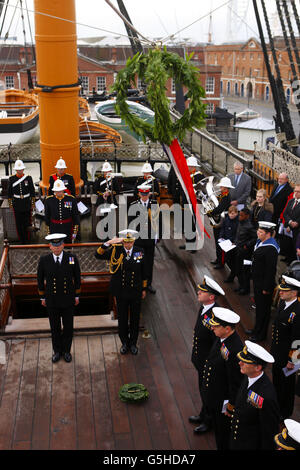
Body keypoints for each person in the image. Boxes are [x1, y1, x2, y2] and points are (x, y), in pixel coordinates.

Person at [95, 229, 147, 355]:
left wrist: (144, 288)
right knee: (122, 318)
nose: (127, 245)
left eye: (130, 242)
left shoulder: (140, 251)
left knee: (134, 319)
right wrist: (108, 242)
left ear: (133, 240)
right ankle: (124, 342)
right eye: (125, 242)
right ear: (122, 241)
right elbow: (98, 255)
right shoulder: (115, 250)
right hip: (121, 291)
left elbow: (144, 271)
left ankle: (133, 343)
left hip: (135, 290)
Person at [201, 307, 243, 450]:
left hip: (223, 403)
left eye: (216, 326)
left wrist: (230, 407)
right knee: (218, 430)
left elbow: (235, 383)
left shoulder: (235, 349)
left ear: (227, 328)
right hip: (215, 397)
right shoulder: (222, 339)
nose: (212, 327)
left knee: (223, 434)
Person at [37, 233, 81, 363]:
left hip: (68, 299)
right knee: (54, 328)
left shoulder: (71, 258)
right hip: (52, 300)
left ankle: (67, 351)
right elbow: (39, 280)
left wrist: (77, 295)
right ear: (50, 246)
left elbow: (77, 278)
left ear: (63, 245)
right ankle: (57, 351)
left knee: (68, 327)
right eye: (54, 246)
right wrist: (42, 297)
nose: (56, 248)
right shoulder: (44, 260)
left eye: (59, 245)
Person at [189, 276, 225, 434]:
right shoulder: (205, 308)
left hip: (208, 363)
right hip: (200, 360)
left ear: (211, 297)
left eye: (202, 291)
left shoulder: (215, 316)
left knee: (208, 392)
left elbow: (216, 344)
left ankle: (209, 421)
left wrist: (209, 363)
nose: (198, 292)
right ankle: (203, 414)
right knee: (202, 389)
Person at [229, 340, 280, 450]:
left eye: (245, 362)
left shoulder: (266, 396)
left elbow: (268, 431)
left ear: (258, 367)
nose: (240, 363)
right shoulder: (248, 377)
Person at [271, 275, 300, 420]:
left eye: (284, 290)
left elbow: (297, 340)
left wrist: (292, 361)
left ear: (294, 293)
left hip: (288, 357)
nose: (280, 292)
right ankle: (277, 406)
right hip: (277, 352)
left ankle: (285, 411)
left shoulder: (297, 312)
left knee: (287, 386)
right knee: (277, 381)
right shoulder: (283, 304)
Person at [248, 221, 280, 342]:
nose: (258, 233)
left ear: (268, 234)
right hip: (257, 281)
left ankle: (260, 335)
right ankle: (256, 329)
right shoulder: (261, 242)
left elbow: (270, 270)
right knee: (259, 308)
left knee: (263, 310)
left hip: (264, 284)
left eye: (261, 232)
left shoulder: (271, 248)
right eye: (258, 230)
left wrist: (266, 288)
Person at [128, 183, 160, 294]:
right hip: (138, 238)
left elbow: (158, 221)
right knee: (138, 261)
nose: (144, 196)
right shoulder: (133, 205)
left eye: (146, 194)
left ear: (149, 194)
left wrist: (157, 235)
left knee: (149, 262)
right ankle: (138, 283)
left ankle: (148, 284)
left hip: (150, 237)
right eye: (142, 194)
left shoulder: (154, 204)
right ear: (139, 194)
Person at [179, 155, 205, 252]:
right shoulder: (186, 174)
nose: (188, 167)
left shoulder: (199, 175)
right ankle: (189, 243)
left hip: (194, 203)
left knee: (194, 224)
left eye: (190, 166)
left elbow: (202, 188)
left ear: (194, 167)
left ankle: (194, 245)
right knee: (187, 223)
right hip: (186, 201)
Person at [8, 159, 36, 244]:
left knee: (27, 222)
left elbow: (32, 191)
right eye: (18, 169)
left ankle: (27, 239)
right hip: (17, 204)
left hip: (26, 203)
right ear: (16, 170)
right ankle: (21, 239)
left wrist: (33, 204)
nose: (20, 171)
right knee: (19, 224)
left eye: (21, 169)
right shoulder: (12, 179)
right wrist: (11, 204)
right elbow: (9, 193)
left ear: (23, 169)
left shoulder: (28, 178)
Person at [44, 179, 80, 243]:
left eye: (60, 190)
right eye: (57, 191)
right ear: (54, 191)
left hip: (67, 227)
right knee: (56, 245)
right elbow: (47, 216)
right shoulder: (49, 200)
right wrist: (48, 229)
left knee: (68, 245)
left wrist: (75, 229)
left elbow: (75, 215)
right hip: (54, 228)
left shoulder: (71, 199)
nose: (59, 192)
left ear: (63, 190)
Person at [209, 176, 233, 269]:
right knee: (217, 241)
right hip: (219, 220)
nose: (220, 188)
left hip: (223, 221)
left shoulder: (226, 197)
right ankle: (218, 259)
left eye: (222, 186)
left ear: (226, 187)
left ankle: (221, 262)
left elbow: (220, 208)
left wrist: (211, 212)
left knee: (220, 241)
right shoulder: (222, 195)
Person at [234, 207, 257, 295]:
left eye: (241, 215)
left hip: (246, 252)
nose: (239, 217)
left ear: (247, 216)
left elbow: (255, 238)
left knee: (245, 271)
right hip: (238, 250)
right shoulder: (240, 223)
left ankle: (245, 288)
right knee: (238, 270)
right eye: (239, 215)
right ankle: (241, 286)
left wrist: (246, 245)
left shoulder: (249, 226)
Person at [217, 204, 239, 282]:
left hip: (232, 244)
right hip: (226, 242)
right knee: (227, 259)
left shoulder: (238, 223)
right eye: (230, 213)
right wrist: (221, 237)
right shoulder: (226, 220)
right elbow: (223, 229)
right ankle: (233, 273)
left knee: (231, 260)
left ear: (236, 213)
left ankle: (233, 275)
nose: (231, 215)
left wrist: (233, 241)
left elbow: (237, 233)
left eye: (233, 213)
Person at [282, 184, 300, 263]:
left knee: (294, 246)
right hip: (288, 227)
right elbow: (285, 213)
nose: (296, 193)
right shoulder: (291, 201)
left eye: (298, 192)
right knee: (287, 244)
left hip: (297, 229)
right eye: (295, 191)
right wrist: (290, 222)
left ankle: (293, 262)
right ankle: (287, 259)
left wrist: (296, 223)